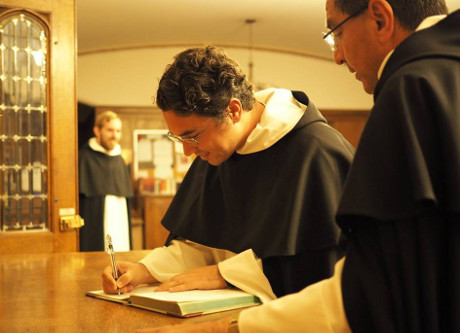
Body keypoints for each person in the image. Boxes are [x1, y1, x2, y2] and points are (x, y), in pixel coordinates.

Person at [135, 0, 460, 332]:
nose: (337, 56)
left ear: (380, 17)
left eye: (336, 32)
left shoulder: (330, 143)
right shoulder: (441, 76)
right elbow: (202, 240)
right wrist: (145, 270)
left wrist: (226, 320)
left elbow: (348, 277)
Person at [101, 46, 355, 305]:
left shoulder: (316, 153)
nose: (188, 151)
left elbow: (319, 266)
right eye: (178, 138)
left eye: (192, 137)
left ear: (233, 111)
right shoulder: (215, 150)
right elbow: (203, 245)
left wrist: (226, 274)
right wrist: (143, 270)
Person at [79, 111, 133, 252]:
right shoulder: (84, 157)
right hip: (95, 220)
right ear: (97, 130)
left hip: (120, 218)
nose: (115, 136)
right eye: (110, 130)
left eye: (118, 131)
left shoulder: (120, 160)